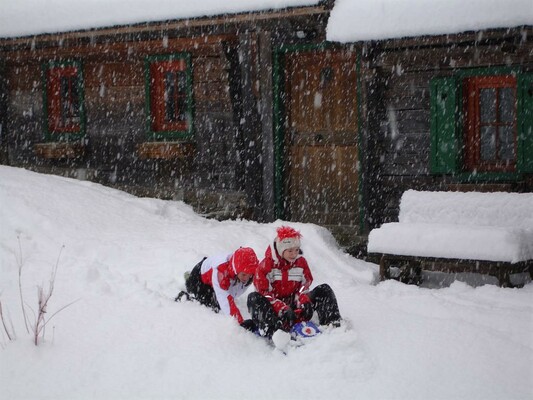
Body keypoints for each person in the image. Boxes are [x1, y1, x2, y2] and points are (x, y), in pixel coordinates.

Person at [248, 226, 342, 338]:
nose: (294, 254)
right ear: (281, 250)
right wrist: (281, 308)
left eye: (297, 250)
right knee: (254, 298)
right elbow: (264, 293)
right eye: (290, 251)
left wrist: (303, 299)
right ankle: (276, 334)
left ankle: (333, 326)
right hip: (275, 311)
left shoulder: (301, 263)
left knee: (324, 289)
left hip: (295, 306)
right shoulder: (265, 267)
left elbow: (305, 284)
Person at [176, 247, 258, 331]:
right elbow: (226, 301)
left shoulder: (248, 270)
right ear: (236, 269)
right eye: (244, 274)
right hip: (199, 280)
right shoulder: (221, 271)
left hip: (215, 279)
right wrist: (240, 324)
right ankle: (188, 291)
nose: (247, 278)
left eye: (250, 274)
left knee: (221, 296)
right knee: (214, 307)